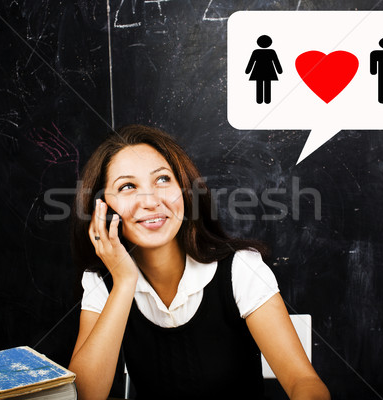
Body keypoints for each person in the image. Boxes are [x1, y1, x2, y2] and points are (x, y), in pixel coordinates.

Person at [68, 124, 330, 400]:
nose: (151, 201)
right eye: (128, 186)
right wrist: (123, 283)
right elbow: (84, 395)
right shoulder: (102, 281)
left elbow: (305, 382)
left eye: (162, 180)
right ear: (103, 208)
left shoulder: (240, 269)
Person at [245, 35, 283, 104]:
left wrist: (247, 71)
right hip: (269, 71)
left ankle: (259, 100)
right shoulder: (271, 52)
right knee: (267, 85)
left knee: (259, 85)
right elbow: (276, 62)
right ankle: (267, 100)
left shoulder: (256, 52)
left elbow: (251, 62)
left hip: (258, 71)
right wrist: (279, 70)